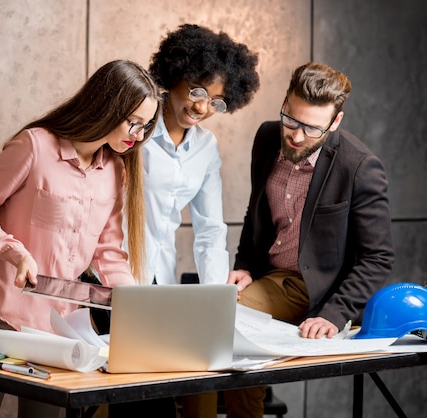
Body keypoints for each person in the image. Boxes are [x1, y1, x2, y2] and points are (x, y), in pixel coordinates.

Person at [0, 59, 161, 418]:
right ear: (107, 106)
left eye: (146, 127)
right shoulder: (34, 146)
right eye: (135, 123)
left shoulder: (115, 170)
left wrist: (135, 304)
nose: (139, 135)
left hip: (59, 326)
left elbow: (108, 251)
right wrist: (16, 253)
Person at [224, 62, 394, 417]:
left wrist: (334, 313)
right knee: (205, 327)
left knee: (221, 324)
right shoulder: (268, 137)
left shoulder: (360, 166)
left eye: (312, 129)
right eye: (291, 120)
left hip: (317, 287)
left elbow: (377, 258)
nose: (297, 136)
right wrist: (243, 265)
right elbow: (254, 210)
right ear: (285, 101)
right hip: (270, 275)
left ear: (335, 121)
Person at [109, 24, 260, 418]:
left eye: (217, 101)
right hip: (110, 275)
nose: (202, 107)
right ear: (174, 75)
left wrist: (216, 303)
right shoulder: (134, 130)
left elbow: (210, 230)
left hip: (159, 280)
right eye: (197, 90)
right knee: (133, 400)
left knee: (160, 396)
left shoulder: (206, 148)